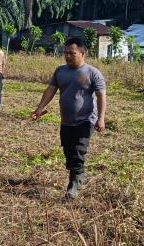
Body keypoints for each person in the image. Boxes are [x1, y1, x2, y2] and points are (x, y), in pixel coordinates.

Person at [31, 37, 106, 199]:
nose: (68, 56)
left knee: (78, 150)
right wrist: (39, 108)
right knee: (68, 150)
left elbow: (101, 97)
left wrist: (101, 119)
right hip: (66, 120)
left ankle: (73, 185)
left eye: (72, 53)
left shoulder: (92, 73)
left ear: (82, 53)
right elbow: (50, 90)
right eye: (65, 53)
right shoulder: (60, 71)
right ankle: (78, 174)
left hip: (86, 120)